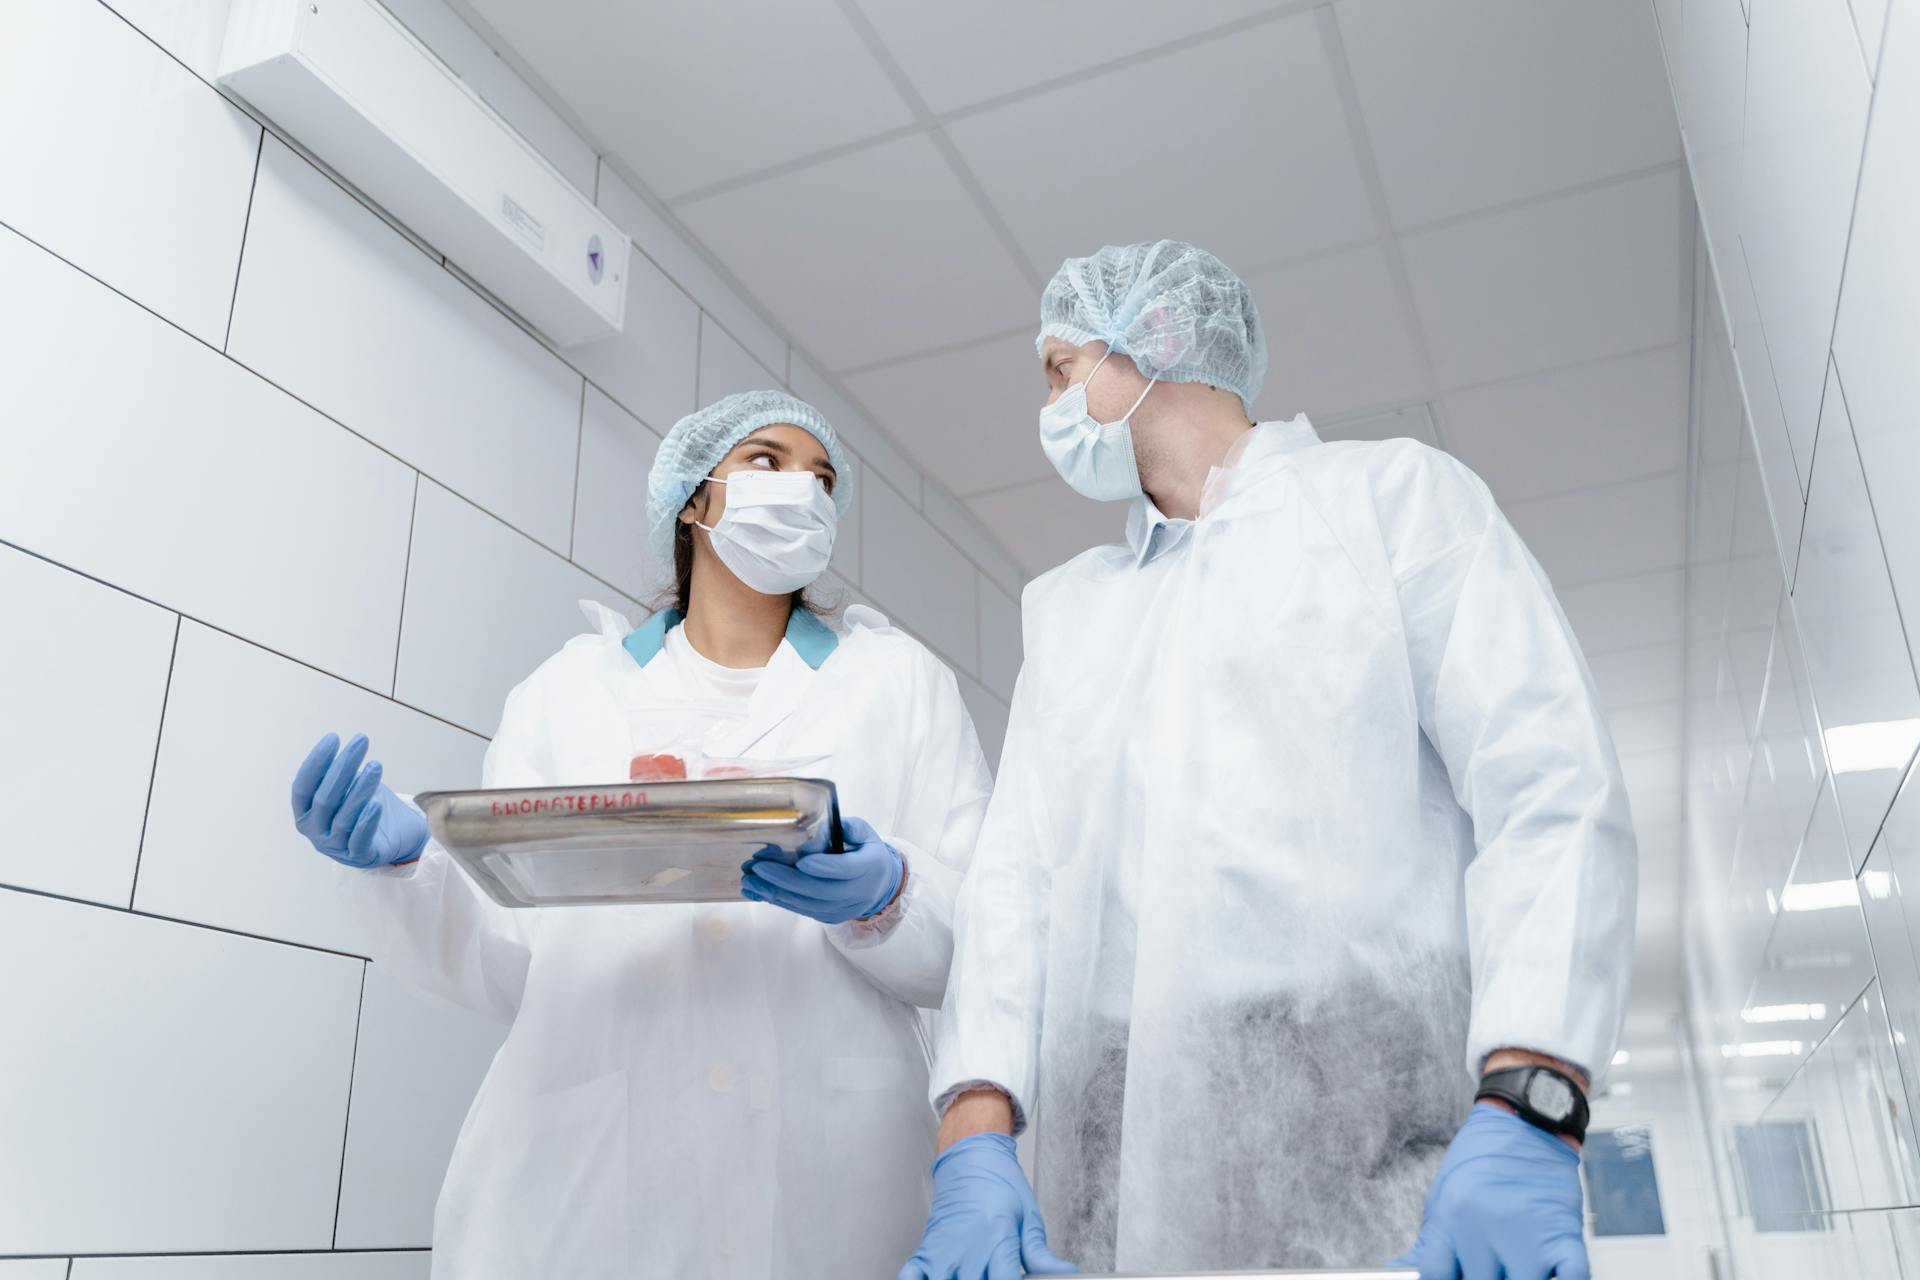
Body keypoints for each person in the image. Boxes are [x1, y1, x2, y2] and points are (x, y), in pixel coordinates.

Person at [899, 241, 1636, 1280]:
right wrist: (973, 1136)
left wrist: (1531, 1100)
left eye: (1061, 368)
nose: (1051, 402)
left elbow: (1548, 785)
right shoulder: (1072, 611)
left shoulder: (1392, 502)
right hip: (1105, 1189)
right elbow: (1016, 886)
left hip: (1388, 1169)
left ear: (1152, 338)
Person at [289, 390, 993, 1279]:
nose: (804, 493)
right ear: (693, 500)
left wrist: (891, 895)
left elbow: (978, 950)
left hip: (837, 1179)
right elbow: (509, 954)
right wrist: (410, 869)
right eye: (768, 463)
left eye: (823, 480)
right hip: (589, 1184)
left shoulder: (898, 683)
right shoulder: (569, 691)